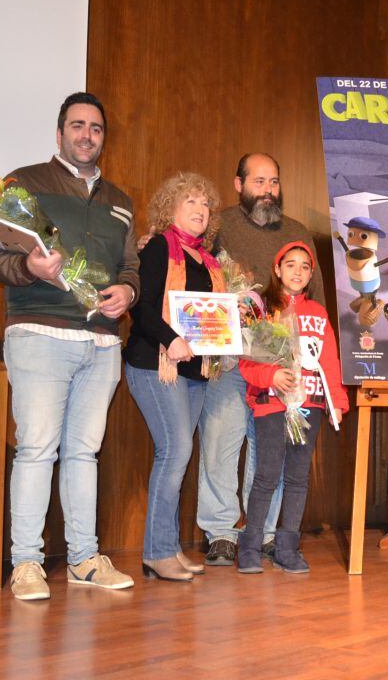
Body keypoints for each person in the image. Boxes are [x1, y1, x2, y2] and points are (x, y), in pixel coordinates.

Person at [0, 92, 139, 600]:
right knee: (36, 450)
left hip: (101, 342)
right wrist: (29, 267)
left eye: (95, 128)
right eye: (77, 125)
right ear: (59, 133)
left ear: (103, 138)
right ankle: (25, 562)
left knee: (84, 454)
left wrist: (128, 292)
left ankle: (84, 560)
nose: (86, 135)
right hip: (40, 334)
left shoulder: (121, 201)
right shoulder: (25, 184)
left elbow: (130, 267)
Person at [194, 153, 324, 566]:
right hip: (232, 358)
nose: (268, 190)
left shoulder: (297, 231)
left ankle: (264, 531)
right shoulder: (218, 226)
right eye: (259, 182)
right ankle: (219, 532)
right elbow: (195, 275)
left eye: (274, 182)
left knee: (271, 451)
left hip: (281, 366)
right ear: (239, 185)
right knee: (221, 442)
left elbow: (313, 301)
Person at [125, 172, 226, 581]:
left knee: (178, 455)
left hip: (195, 371)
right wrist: (171, 339)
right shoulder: (156, 250)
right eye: (191, 203)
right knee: (176, 451)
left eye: (205, 205)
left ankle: (167, 547)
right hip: (156, 364)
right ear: (171, 208)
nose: (200, 211)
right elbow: (141, 307)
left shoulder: (209, 259)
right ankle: (158, 551)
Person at [237, 242, 348, 574]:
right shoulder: (263, 308)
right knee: (267, 475)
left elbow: (329, 360)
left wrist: (337, 402)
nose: (297, 272)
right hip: (271, 403)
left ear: (311, 274)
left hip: (309, 404)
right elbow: (247, 361)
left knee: (298, 478)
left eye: (304, 267)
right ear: (277, 269)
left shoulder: (318, 312)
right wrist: (272, 375)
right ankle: (251, 546)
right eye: (290, 265)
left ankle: (287, 547)